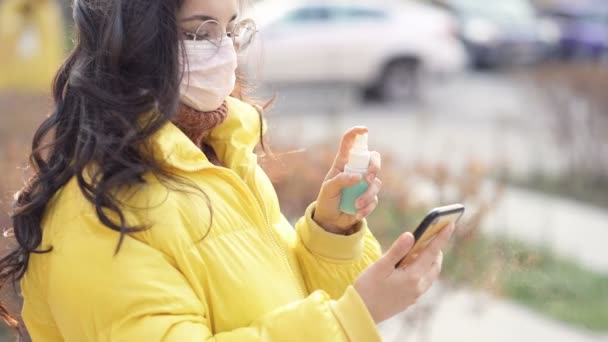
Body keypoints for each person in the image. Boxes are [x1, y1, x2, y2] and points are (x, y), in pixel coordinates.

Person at [1, 0, 454, 340]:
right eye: (200, 33)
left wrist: (331, 233)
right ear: (133, 43)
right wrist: (352, 317)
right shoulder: (96, 214)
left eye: (232, 30)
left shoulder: (219, 154)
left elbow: (281, 301)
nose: (224, 51)